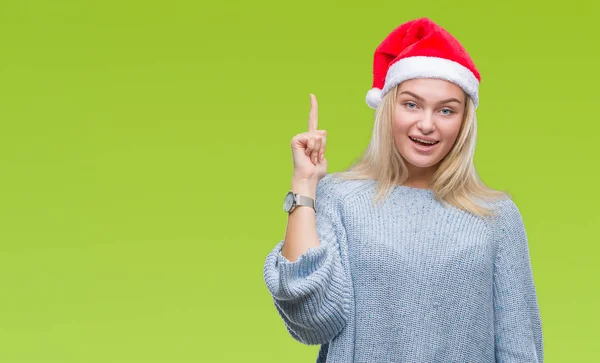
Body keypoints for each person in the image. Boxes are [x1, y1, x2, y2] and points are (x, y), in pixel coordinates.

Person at [262, 17, 544, 363]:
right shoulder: (341, 199)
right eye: (411, 104)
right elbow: (312, 322)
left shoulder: (496, 217)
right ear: (387, 107)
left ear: (463, 121)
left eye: (446, 110)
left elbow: (520, 349)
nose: (426, 124)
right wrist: (304, 186)